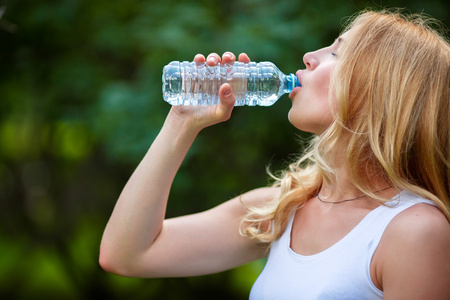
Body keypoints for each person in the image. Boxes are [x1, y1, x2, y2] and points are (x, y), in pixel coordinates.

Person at [99, 9, 450, 299]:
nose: (309, 58)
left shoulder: (414, 232)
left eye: (336, 53)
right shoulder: (283, 208)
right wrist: (181, 122)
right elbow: (127, 255)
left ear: (380, 91)